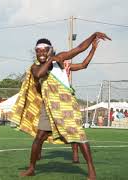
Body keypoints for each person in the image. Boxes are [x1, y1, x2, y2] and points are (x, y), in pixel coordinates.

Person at [11, 32, 110, 179]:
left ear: (50, 49)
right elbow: (39, 75)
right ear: (36, 52)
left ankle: (91, 170)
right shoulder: (34, 67)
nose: (42, 53)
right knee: (39, 137)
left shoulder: (61, 60)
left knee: (79, 136)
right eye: (39, 50)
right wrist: (50, 59)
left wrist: (93, 37)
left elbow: (79, 49)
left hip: (66, 105)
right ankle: (31, 168)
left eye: (45, 50)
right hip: (49, 106)